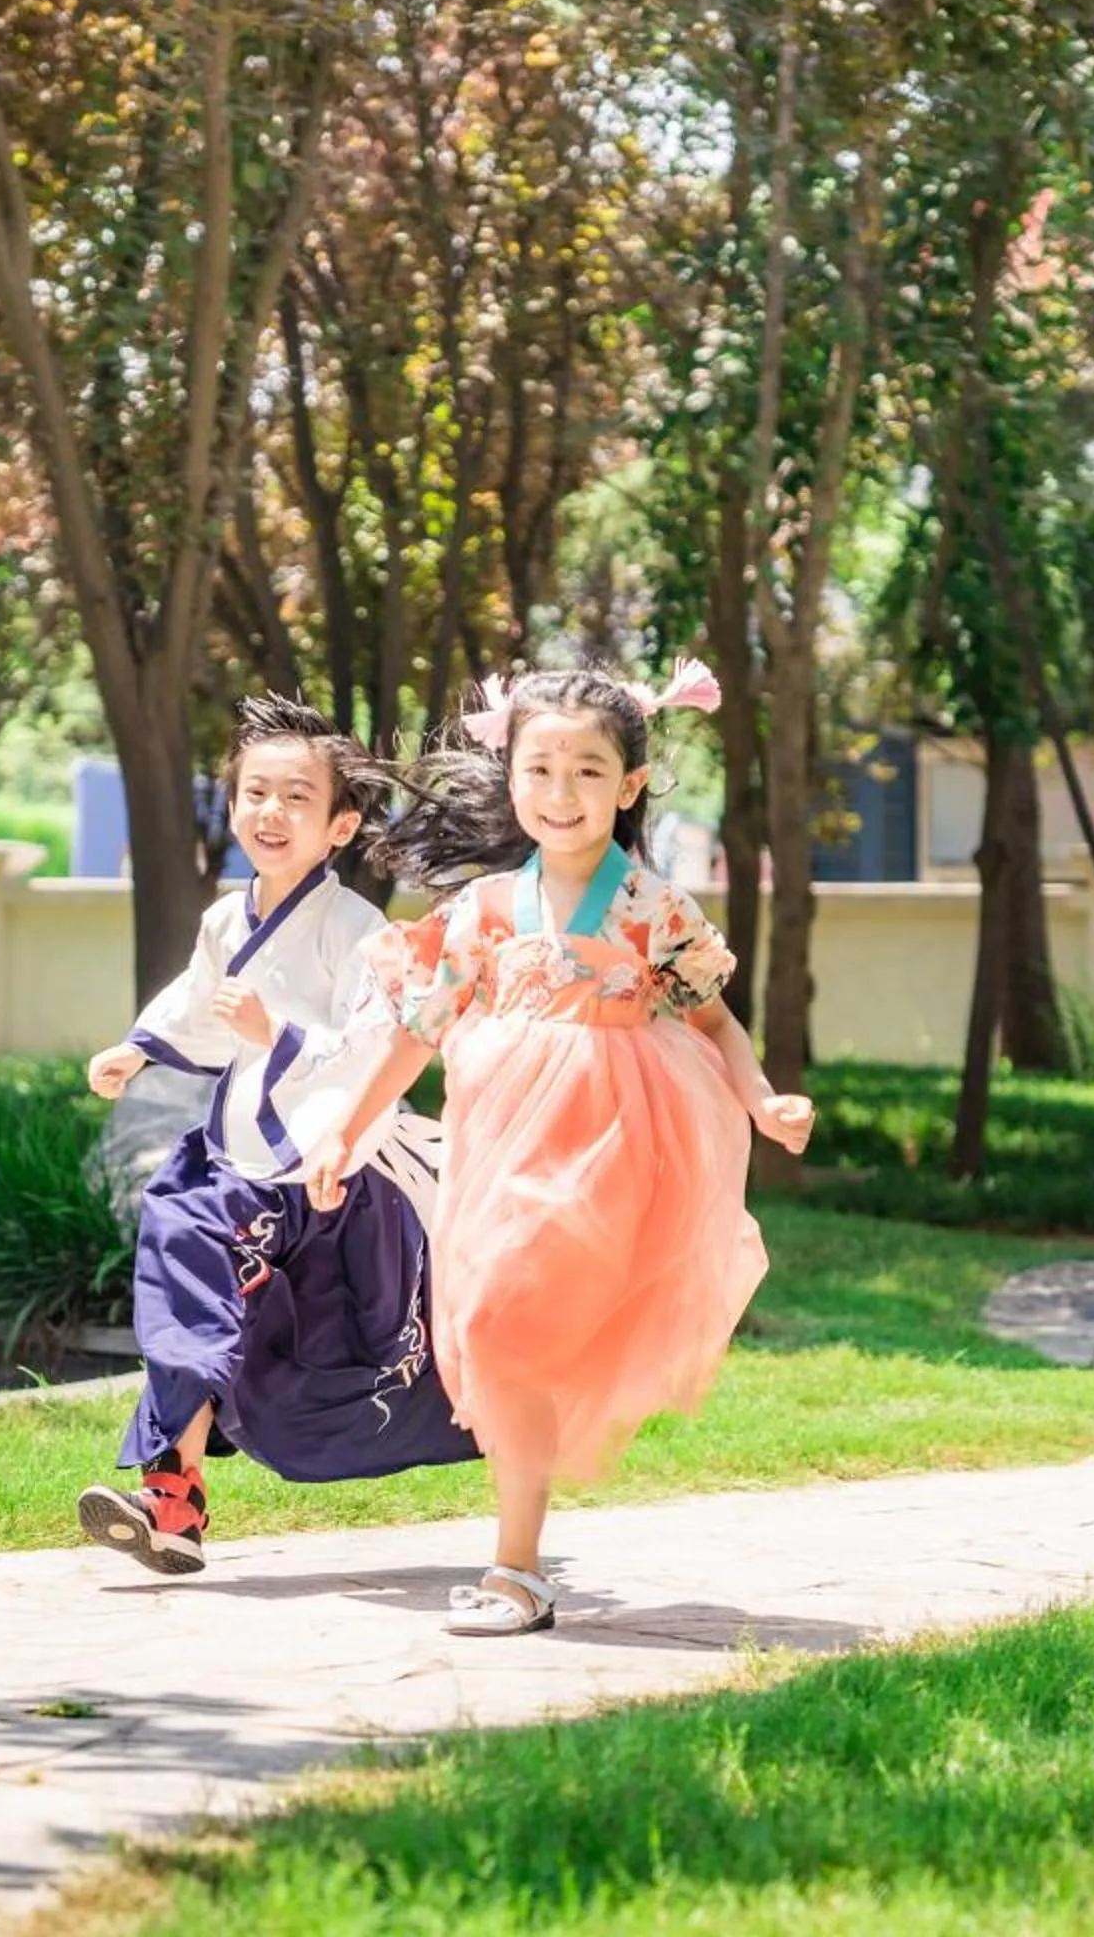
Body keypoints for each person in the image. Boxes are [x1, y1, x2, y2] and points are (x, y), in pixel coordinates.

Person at [303, 661, 811, 1635]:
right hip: (503, 1139)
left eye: (587, 770)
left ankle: (514, 1567)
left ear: (628, 786)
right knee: (495, 1324)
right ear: (512, 780)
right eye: (539, 769)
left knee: (519, 1317)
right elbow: (417, 1027)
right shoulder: (487, 909)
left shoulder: (653, 908)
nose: (560, 792)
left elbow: (713, 1024)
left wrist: (761, 1098)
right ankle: (521, 1561)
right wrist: (351, 1123)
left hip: (618, 1138)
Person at [77, 697, 475, 1576]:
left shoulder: (360, 932)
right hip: (237, 1167)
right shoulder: (226, 920)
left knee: (310, 1367)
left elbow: (380, 1043)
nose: (271, 812)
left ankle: (497, 1420)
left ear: (340, 824)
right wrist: (140, 1048)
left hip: (334, 1177)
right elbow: (198, 1005)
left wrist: (277, 1035)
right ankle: (170, 1494)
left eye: (297, 797)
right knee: (186, 1273)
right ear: (231, 808)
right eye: (255, 792)